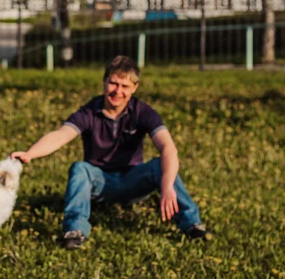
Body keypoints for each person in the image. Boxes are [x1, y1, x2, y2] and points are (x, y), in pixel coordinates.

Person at [11, 56, 209, 250]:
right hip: (99, 181)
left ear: (134, 88)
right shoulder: (90, 111)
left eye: (125, 86)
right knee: (80, 168)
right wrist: (30, 153)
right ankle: (75, 231)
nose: (118, 91)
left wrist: (166, 187)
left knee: (162, 163)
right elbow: (61, 135)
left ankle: (192, 225)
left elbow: (168, 147)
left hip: (133, 179)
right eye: (113, 84)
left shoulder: (142, 111)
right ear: (104, 82)